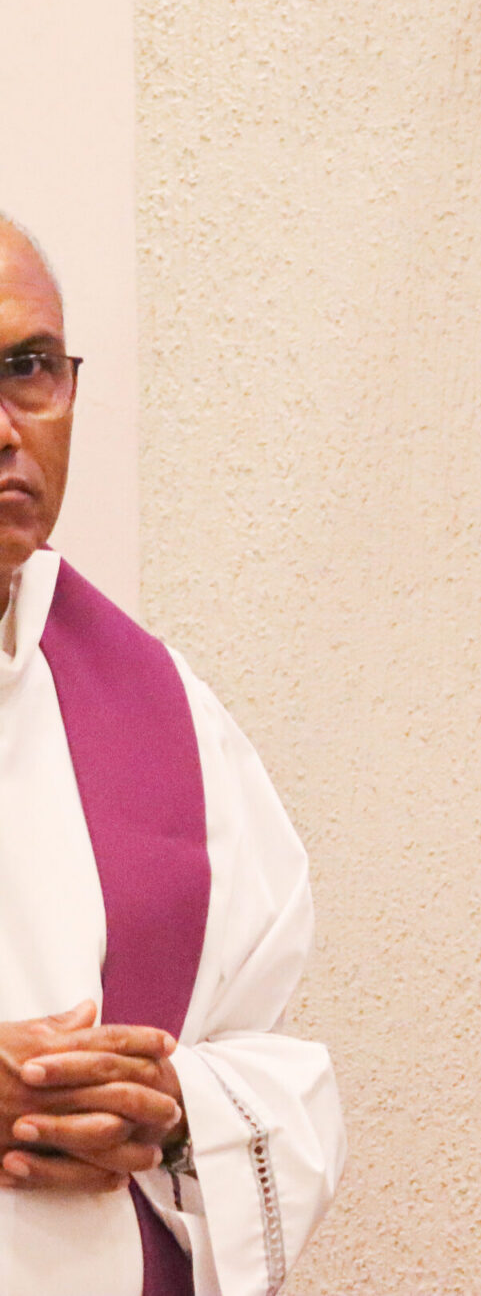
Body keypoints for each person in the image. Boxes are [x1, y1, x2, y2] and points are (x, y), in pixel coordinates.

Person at [0, 216, 344, 1295]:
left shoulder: (160, 710)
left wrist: (173, 1108)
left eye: (28, 368)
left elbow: (274, 1068)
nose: (5, 428)